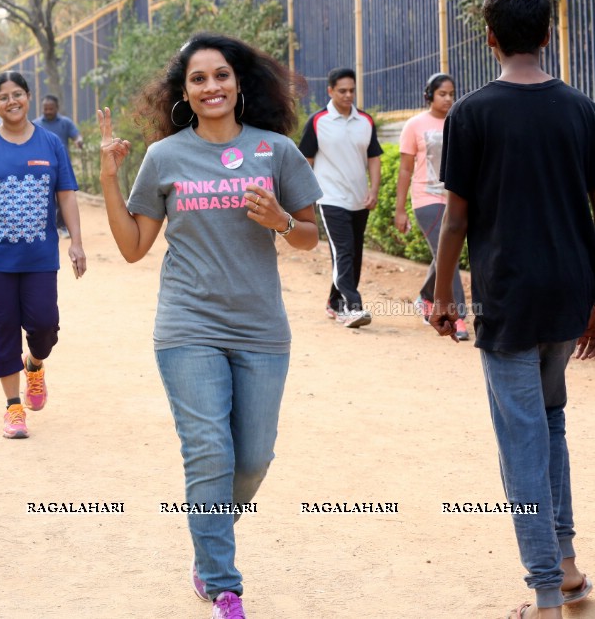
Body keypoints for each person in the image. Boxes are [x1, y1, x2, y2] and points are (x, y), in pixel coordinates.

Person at [98, 33, 321, 619]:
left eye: (220, 75)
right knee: (208, 453)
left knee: (253, 459)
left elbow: (308, 235)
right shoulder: (165, 157)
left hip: (260, 329)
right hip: (187, 324)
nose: (211, 87)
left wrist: (278, 219)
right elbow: (132, 248)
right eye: (198, 79)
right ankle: (223, 584)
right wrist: (109, 177)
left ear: (239, 82)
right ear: (184, 92)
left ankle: (208, 538)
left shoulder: (276, 151)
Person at [430, 0, 595, 619]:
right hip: (569, 291)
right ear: (548, 36)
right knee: (550, 423)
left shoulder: (472, 113)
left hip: (507, 292)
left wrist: (443, 296)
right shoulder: (582, 110)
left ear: (490, 40)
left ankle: (547, 598)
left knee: (522, 438)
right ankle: (571, 571)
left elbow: (454, 221)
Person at [0, 71, 86, 440]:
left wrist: (76, 241)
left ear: (28, 97)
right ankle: (13, 407)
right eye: (3, 97)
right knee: (2, 329)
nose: (12, 101)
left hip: (39, 258)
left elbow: (66, 193)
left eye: (18, 94)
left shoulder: (51, 144)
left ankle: (34, 365)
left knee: (44, 326)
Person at [298, 67, 382, 328]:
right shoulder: (317, 121)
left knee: (353, 254)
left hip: (360, 200)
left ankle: (334, 302)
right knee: (344, 250)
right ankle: (351, 306)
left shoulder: (365, 121)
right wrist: (303, 198)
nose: (348, 95)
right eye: (342, 90)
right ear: (330, 90)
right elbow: (305, 161)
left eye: (352, 90)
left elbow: (374, 158)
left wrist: (374, 190)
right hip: (330, 198)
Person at [394, 72, 469, 340]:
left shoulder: (460, 121)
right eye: (442, 94)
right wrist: (400, 209)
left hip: (455, 199)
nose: (448, 98)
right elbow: (405, 170)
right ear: (429, 96)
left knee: (444, 255)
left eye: (451, 93)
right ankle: (458, 316)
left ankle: (426, 296)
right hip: (426, 199)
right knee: (446, 252)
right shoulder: (414, 125)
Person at [33, 95, 83, 239]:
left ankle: (62, 225)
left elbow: (76, 135)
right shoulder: (36, 124)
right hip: (41, 167)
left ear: (57, 108)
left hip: (62, 166)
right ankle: (47, 225)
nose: (48, 111)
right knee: (45, 197)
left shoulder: (65, 122)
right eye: (45, 109)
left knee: (64, 196)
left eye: (51, 108)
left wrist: (79, 141)